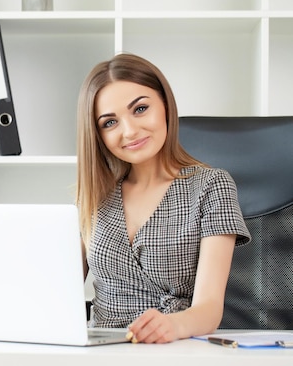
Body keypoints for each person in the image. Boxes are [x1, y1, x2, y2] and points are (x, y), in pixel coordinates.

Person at [75, 53, 251, 344]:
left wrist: (172, 326)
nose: (129, 131)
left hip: (175, 349)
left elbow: (208, 309)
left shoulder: (211, 186)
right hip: (101, 353)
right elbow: (54, 293)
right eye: (110, 123)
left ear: (166, 106)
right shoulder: (94, 197)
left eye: (140, 109)